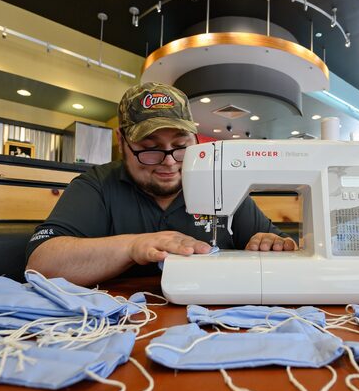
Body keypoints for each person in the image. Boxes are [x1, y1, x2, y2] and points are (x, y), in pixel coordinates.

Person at [26, 82, 297, 286]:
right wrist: (134, 246)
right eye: (150, 149)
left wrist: (271, 244)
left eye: (181, 147)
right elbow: (41, 264)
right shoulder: (97, 186)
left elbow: (281, 246)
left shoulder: (220, 184)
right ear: (123, 142)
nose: (169, 162)